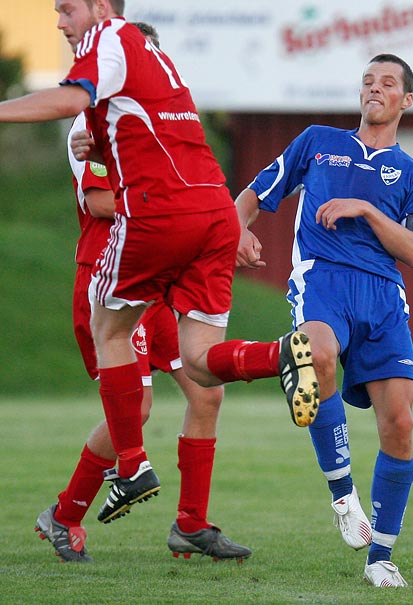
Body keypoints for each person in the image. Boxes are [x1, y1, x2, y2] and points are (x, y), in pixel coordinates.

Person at [1, 0, 320, 542]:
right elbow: (100, 195)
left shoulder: (112, 44)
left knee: (171, 373)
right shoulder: (129, 99)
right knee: (170, 386)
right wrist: (93, 142)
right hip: (166, 237)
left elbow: (117, 153)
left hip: (153, 240)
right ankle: (71, 509)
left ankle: (152, 488)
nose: (60, 22)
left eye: (66, 9)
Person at [34, 22, 251, 564]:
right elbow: (101, 202)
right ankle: (65, 513)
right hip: (111, 272)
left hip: (160, 271)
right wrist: (172, 204)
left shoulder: (157, 124)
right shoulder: (89, 125)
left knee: (206, 392)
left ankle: (192, 526)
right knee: (137, 408)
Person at [235, 54, 413, 587]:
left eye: (387, 83)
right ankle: (343, 494)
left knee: (400, 424)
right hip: (323, 278)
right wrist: (238, 229)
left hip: (384, 297)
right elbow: (254, 194)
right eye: (368, 81)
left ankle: (381, 558)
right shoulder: (318, 142)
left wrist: (367, 210)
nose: (375, 88)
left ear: (406, 101)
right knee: (316, 353)